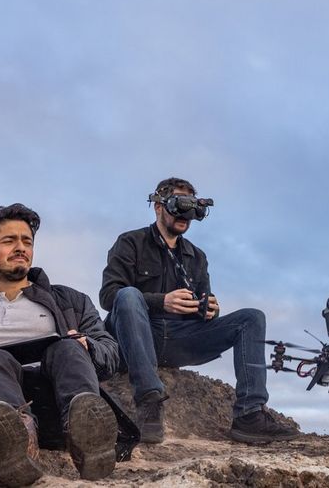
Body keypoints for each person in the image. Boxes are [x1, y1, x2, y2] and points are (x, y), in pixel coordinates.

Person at [101, 177, 300, 444]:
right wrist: (161, 301)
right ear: (158, 207)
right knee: (127, 295)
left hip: (179, 339)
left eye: (193, 208)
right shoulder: (130, 242)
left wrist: (209, 310)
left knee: (252, 317)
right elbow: (108, 296)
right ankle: (149, 402)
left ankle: (249, 415)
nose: (186, 215)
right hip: (135, 337)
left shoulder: (197, 256)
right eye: (179, 205)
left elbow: (203, 305)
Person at [0, 204, 120, 486]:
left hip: (58, 405)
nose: (21, 247)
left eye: (27, 241)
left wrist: (89, 347)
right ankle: (17, 446)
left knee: (66, 347)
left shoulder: (70, 301)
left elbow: (111, 353)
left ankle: (89, 440)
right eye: (9, 240)